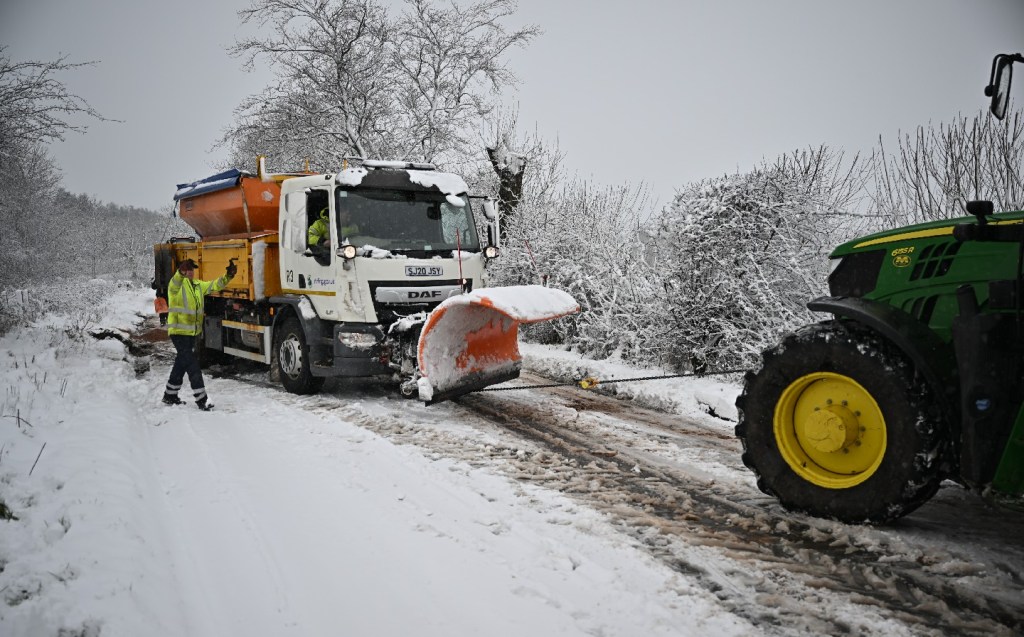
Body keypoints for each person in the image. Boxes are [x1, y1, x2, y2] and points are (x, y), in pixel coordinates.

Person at [163, 258, 236, 410]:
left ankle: (170, 395)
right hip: (178, 332)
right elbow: (176, 280)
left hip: (191, 332)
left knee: (181, 362)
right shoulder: (175, 285)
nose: (190, 272)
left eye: (192, 269)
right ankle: (202, 399)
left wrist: (228, 276)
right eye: (187, 269)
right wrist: (180, 272)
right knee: (192, 364)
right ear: (182, 270)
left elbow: (214, 285)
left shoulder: (197, 285)